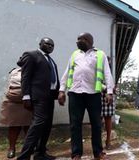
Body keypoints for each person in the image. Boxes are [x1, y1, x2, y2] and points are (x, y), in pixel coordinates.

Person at [58, 32, 114, 160]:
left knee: (96, 124)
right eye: (77, 39)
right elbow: (67, 72)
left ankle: (98, 152)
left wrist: (109, 92)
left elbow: (107, 73)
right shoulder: (74, 54)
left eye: (80, 39)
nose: (77, 41)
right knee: (75, 124)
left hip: (93, 94)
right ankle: (76, 154)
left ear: (89, 41)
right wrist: (62, 90)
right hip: (75, 93)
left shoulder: (100, 54)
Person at [17, 37, 60, 160]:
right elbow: (25, 77)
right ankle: (24, 156)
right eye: (47, 44)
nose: (50, 46)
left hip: (50, 96)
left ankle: (40, 153)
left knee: (47, 125)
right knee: (37, 125)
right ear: (40, 44)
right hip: (38, 96)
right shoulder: (31, 55)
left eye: (52, 45)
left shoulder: (50, 60)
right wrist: (26, 96)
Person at [0, 67, 32, 159]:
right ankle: (12, 148)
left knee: (25, 127)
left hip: (24, 102)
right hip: (18, 101)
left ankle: (22, 149)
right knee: (17, 126)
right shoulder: (16, 71)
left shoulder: (15, 71)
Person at [101, 56, 116, 150]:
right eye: (107, 62)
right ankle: (98, 141)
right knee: (97, 118)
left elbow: (110, 82)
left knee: (108, 117)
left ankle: (108, 140)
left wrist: (113, 88)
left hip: (109, 95)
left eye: (110, 62)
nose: (109, 64)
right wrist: (106, 88)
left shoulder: (109, 72)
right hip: (98, 94)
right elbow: (95, 80)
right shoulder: (96, 69)